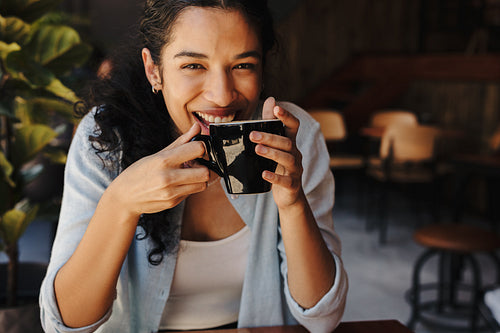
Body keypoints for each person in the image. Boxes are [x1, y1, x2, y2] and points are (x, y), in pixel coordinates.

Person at [39, 0, 348, 332]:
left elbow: (322, 318)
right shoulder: (105, 138)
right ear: (153, 70)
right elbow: (65, 325)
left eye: (242, 65)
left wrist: (292, 203)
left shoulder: (293, 138)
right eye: (193, 66)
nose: (221, 95)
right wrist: (120, 204)